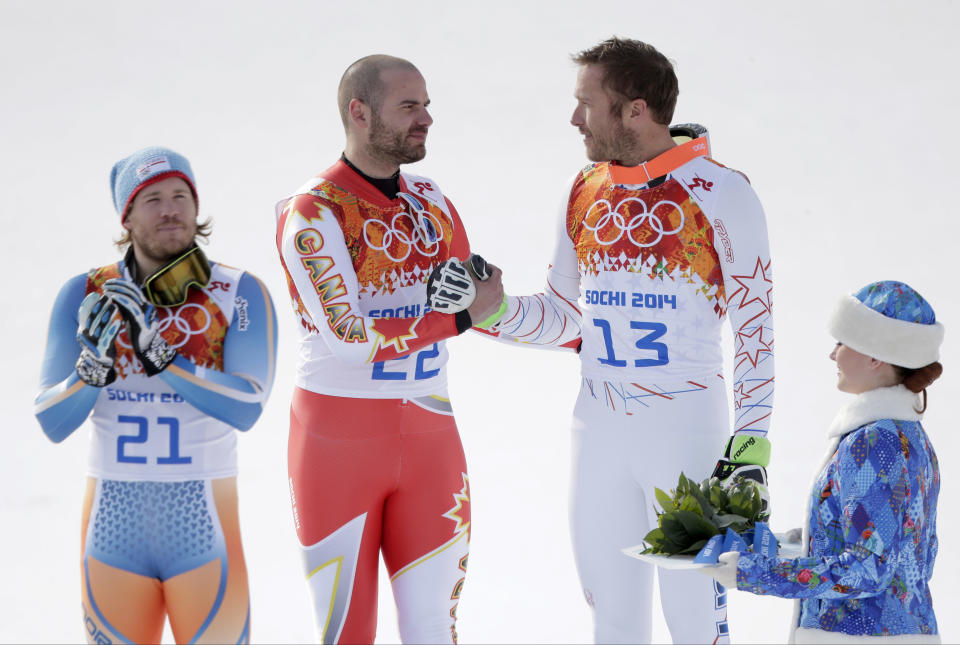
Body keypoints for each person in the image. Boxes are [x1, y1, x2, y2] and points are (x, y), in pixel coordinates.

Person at [433, 37, 775, 643]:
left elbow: (755, 330)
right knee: (612, 622)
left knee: (698, 623)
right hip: (597, 431)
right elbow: (568, 319)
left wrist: (751, 452)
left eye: (586, 103)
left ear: (635, 110)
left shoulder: (723, 192)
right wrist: (490, 310)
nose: (573, 118)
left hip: (686, 431)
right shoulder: (584, 189)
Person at [274, 55, 503, 644]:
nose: (426, 118)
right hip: (337, 443)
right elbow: (350, 342)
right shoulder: (313, 209)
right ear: (359, 112)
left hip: (431, 434)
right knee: (347, 633)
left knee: (435, 630)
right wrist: (454, 318)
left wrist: (478, 295)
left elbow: (472, 289)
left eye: (426, 105)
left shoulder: (431, 197)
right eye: (409, 106)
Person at [34, 146, 278, 644]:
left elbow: (248, 407)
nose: (171, 209)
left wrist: (163, 359)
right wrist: (91, 373)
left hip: (204, 531)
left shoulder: (238, 291)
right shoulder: (84, 293)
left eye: (181, 196)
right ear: (126, 216)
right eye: (153, 199)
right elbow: (49, 420)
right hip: (112, 533)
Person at [702, 280, 943, 643]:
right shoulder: (908, 439)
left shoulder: (877, 442)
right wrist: (791, 543)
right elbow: (902, 548)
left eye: (841, 343)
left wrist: (755, 572)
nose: (833, 355)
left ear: (874, 355)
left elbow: (868, 568)